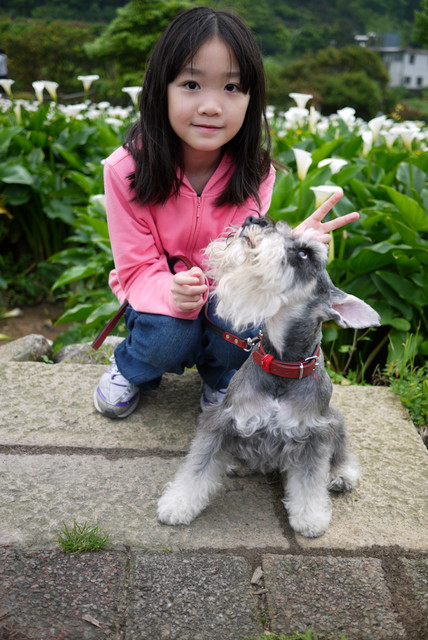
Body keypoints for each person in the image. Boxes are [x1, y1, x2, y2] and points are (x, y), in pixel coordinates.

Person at [93, 6, 359, 419]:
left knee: (248, 319)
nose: (212, 106)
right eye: (192, 84)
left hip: (223, 293)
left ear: (252, 99)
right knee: (168, 334)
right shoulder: (125, 171)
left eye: (232, 87)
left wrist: (287, 247)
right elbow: (135, 270)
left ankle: (222, 379)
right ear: (159, 89)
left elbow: (244, 256)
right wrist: (172, 292)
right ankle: (132, 368)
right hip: (160, 295)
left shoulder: (254, 172)